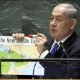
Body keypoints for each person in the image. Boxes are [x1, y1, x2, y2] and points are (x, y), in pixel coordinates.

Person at [12, 3, 80, 79]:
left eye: (59, 19)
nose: (53, 23)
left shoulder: (77, 47)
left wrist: (44, 53)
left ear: (72, 24)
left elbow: (70, 76)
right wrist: (20, 49)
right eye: (51, 18)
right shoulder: (47, 44)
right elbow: (29, 75)